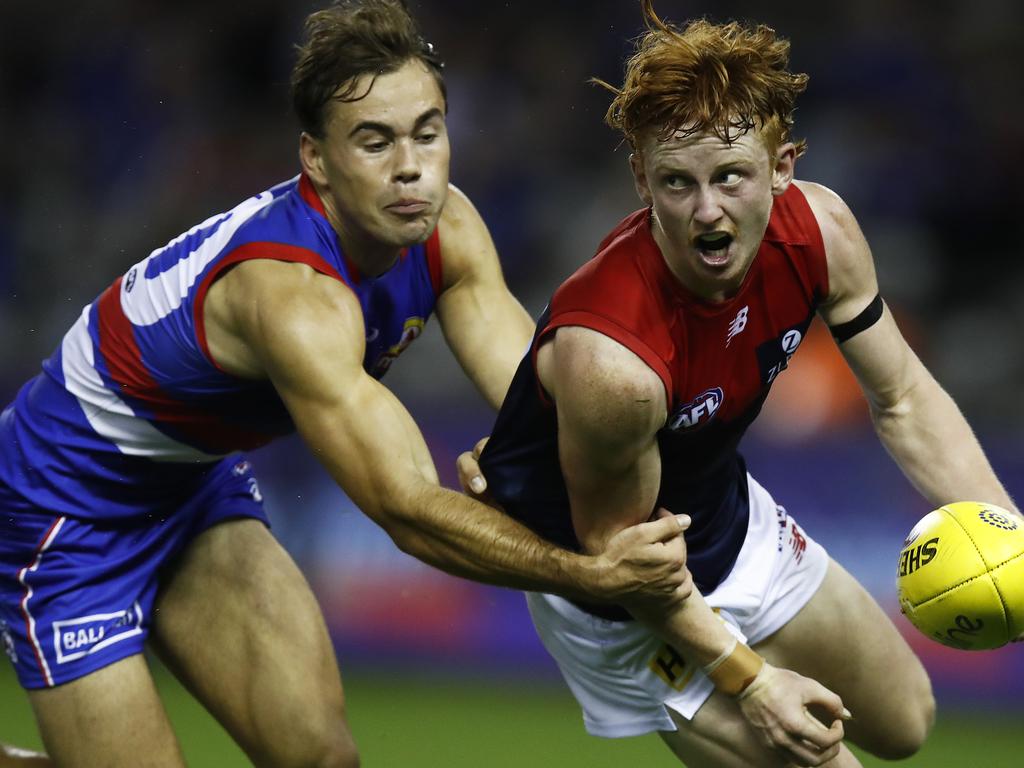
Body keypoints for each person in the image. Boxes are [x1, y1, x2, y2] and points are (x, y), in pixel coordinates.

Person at [0, 2, 692, 766]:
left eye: (427, 133)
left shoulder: (447, 228)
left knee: (323, 760)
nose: (410, 166)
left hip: (190, 489)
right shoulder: (290, 298)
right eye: (375, 140)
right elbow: (405, 509)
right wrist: (590, 573)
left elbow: (543, 405)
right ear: (316, 159)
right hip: (64, 509)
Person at [467, 2, 1017, 766]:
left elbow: (904, 397)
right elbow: (623, 560)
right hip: (627, 609)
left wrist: (1005, 535)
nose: (707, 213)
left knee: (905, 723)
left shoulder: (820, 231)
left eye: (731, 176)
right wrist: (753, 682)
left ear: (784, 166)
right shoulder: (613, 361)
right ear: (639, 180)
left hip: (734, 523)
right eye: (677, 183)